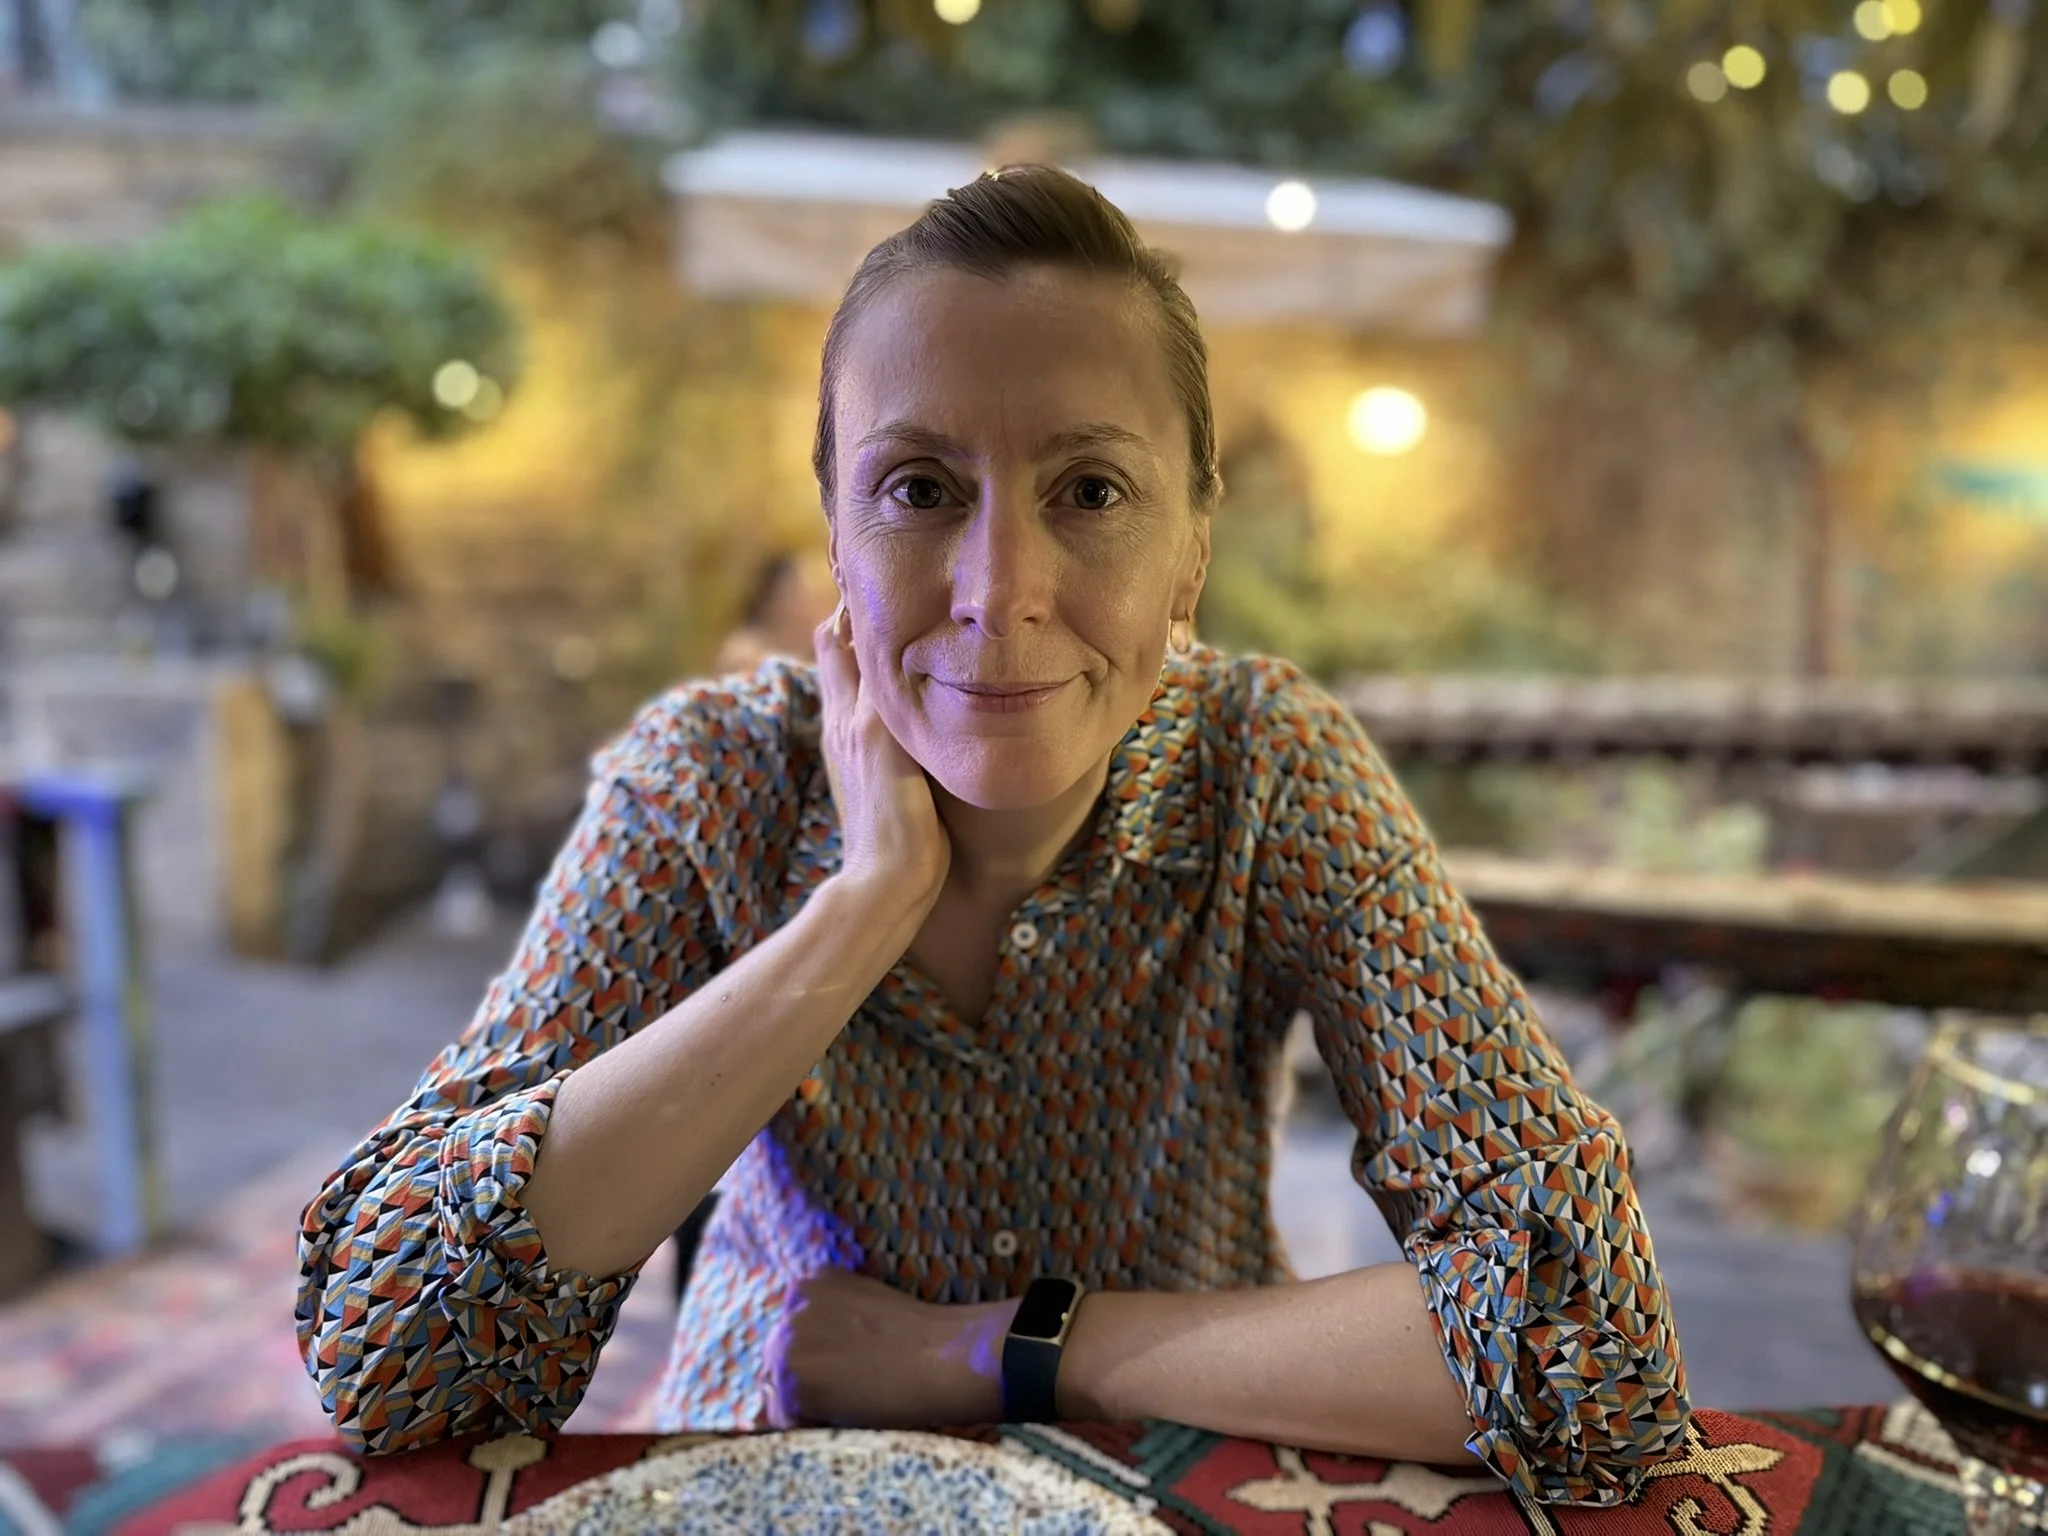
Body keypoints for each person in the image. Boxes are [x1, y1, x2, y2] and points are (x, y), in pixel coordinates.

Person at [296, 166, 1687, 1506]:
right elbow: (389, 1352)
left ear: (1194, 544)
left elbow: (1587, 1344)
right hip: (769, 1482)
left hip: (1170, 1481)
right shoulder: (712, 779)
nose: (1000, 591)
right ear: (834, 535)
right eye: (919, 489)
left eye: (1090, 492)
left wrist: (991, 1351)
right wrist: (865, 906)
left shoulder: (1265, 766)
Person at [710, 550, 837, 675]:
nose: (826, 609)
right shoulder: (745, 654)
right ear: (778, 600)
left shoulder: (821, 650)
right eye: (816, 599)